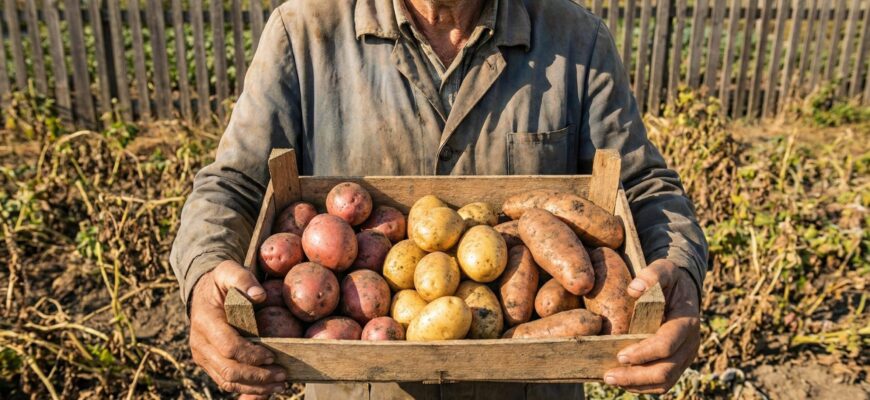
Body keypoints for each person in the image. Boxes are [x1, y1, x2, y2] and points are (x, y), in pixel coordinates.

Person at [170, 0, 708, 398]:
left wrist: (680, 275)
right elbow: (234, 184)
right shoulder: (303, 33)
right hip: (355, 387)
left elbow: (642, 187)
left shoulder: (577, 41)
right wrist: (203, 275)